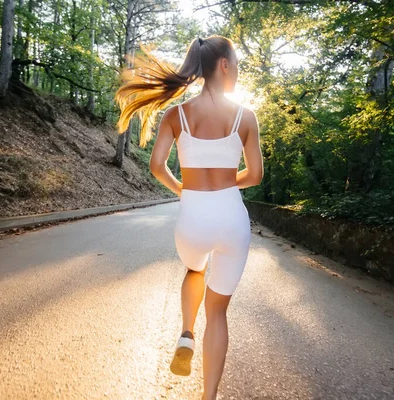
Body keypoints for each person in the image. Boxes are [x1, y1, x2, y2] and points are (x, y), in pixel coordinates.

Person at [115, 35, 264, 400]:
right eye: (237, 64)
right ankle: (208, 396)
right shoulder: (245, 116)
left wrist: (184, 189)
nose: (238, 71)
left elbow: (156, 165)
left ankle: (185, 332)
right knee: (218, 313)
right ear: (224, 65)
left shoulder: (177, 114)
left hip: (193, 220)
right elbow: (256, 175)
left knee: (195, 270)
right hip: (232, 219)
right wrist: (229, 182)